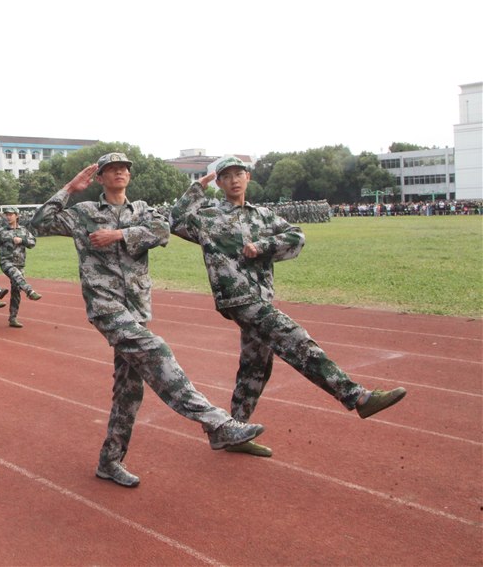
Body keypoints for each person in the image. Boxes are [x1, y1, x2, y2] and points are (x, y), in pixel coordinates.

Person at [31, 152, 264, 488]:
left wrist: (119, 235)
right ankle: (217, 422)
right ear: (100, 178)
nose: (119, 172)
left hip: (137, 309)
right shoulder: (84, 213)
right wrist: (70, 188)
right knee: (156, 350)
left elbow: (161, 231)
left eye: (123, 168)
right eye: (111, 169)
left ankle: (110, 461)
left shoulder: (142, 210)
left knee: (129, 389)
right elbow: (39, 222)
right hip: (106, 306)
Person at [170, 156, 407, 456]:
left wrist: (263, 247)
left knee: (256, 366)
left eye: (239, 174)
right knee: (295, 339)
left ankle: (232, 431)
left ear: (248, 177)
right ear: (219, 182)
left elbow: (296, 235)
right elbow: (175, 221)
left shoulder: (263, 216)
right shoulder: (208, 217)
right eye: (226, 176)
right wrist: (197, 189)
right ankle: (357, 397)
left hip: (261, 297)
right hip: (238, 298)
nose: (233, 180)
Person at [0, 206, 42, 328]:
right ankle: (29, 291)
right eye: (7, 214)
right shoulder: (2, 231)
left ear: (16, 216)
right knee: (16, 275)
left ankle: (13, 318)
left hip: (20, 263)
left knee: (16, 289)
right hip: (6, 262)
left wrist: (22, 240)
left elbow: (32, 243)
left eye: (10, 214)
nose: (8, 217)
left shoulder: (24, 230)